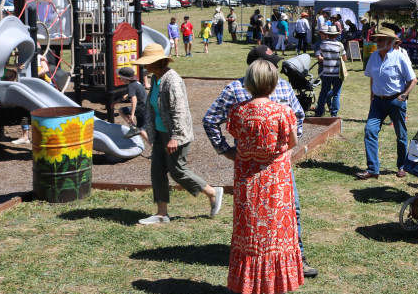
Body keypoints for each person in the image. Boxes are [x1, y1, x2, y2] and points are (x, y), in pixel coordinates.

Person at [202, 44, 316, 278]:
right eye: (269, 64)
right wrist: (225, 150)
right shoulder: (235, 90)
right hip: (256, 167)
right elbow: (211, 120)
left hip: (273, 165)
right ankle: (256, 261)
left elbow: (299, 117)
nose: (274, 67)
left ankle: (295, 256)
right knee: (254, 214)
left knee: (288, 211)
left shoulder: (282, 86)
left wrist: (282, 149)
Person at [225, 59, 305, 294]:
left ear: (249, 82)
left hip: (247, 182)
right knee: (277, 235)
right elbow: (291, 142)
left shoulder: (238, 111)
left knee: (248, 232)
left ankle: (246, 292)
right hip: (275, 183)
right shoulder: (283, 112)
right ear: (273, 83)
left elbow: (237, 137)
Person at [133, 43, 223, 225]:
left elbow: (179, 110)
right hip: (159, 133)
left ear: (157, 62)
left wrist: (175, 137)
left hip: (175, 134)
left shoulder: (172, 80)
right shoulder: (156, 79)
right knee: (157, 172)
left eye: (146, 63)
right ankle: (161, 213)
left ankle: (212, 192)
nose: (144, 67)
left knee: (177, 171)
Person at [357, 30, 417, 180]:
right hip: (378, 101)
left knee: (401, 134)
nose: (377, 42)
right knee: (370, 130)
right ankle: (373, 169)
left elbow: (413, 80)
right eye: (377, 39)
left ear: (390, 42)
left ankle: (402, 166)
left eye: (382, 40)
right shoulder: (373, 57)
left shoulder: (400, 57)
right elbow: (372, 78)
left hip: (395, 101)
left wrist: (402, 96)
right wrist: (372, 97)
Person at [315, 24, 346, 118]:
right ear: (336, 35)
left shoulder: (323, 44)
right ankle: (334, 113)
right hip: (337, 73)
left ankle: (319, 111)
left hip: (326, 72)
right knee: (336, 93)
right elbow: (344, 58)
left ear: (327, 34)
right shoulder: (340, 45)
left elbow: (318, 56)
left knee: (323, 92)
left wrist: (326, 58)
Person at [116, 66, 146, 138]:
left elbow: (133, 98)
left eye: (120, 77)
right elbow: (130, 94)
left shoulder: (131, 86)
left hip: (140, 109)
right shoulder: (137, 83)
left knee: (121, 110)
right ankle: (152, 145)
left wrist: (132, 114)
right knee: (141, 129)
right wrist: (118, 101)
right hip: (146, 108)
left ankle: (132, 127)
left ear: (125, 78)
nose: (119, 78)